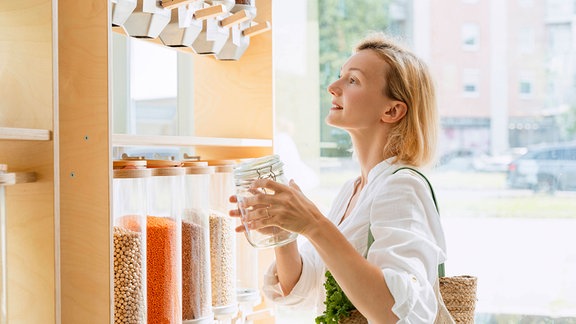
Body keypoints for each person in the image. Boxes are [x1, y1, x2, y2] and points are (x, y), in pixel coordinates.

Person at [229, 32, 448, 323]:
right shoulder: (354, 189)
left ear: (392, 110)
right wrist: (284, 233)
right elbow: (305, 295)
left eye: (353, 80)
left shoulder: (402, 186)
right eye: (340, 76)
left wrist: (313, 224)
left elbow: (400, 315)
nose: (333, 87)